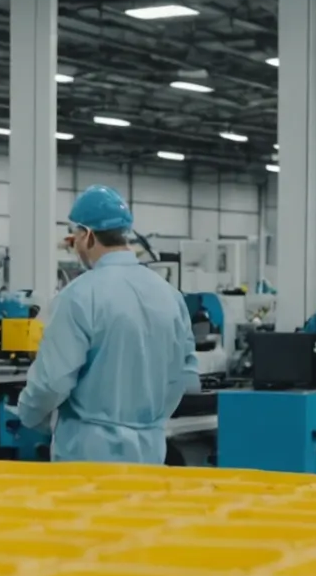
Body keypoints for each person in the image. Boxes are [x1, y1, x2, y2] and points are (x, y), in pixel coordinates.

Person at [16, 185, 198, 463]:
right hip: (150, 449)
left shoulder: (79, 296)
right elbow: (185, 373)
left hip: (88, 452)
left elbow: (52, 382)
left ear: (87, 235)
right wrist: (151, 420)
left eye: (75, 237)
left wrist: (28, 415)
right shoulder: (169, 295)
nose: (75, 245)